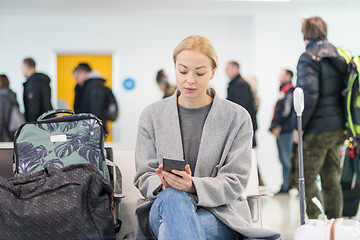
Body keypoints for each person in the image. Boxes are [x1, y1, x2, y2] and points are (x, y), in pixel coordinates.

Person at [133, 35, 280, 240]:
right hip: (164, 208)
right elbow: (144, 175)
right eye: (182, 71)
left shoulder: (237, 118)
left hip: (219, 213)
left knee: (177, 230)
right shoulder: (152, 115)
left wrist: (192, 185)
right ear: (174, 68)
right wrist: (164, 184)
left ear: (212, 72)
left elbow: (235, 181)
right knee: (175, 198)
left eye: (199, 73)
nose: (189, 80)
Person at [295, 16, 347, 219]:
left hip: (317, 129)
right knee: (332, 179)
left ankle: (318, 223)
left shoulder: (308, 57)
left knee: (306, 179)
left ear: (305, 34)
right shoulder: (338, 55)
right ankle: (335, 223)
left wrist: (300, 127)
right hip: (337, 128)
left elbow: (309, 95)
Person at [270, 69, 295, 194]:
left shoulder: (290, 91)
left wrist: (278, 124)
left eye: (282, 74)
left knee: (287, 159)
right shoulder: (282, 90)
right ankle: (285, 185)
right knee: (283, 159)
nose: (279, 76)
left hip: (286, 130)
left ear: (289, 76)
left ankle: (292, 185)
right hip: (281, 130)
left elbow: (286, 110)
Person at [226, 61, 258, 147]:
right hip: (240, 127)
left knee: (248, 155)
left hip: (244, 127)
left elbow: (240, 107)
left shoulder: (241, 85)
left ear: (235, 69)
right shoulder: (235, 84)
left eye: (228, 69)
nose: (225, 71)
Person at [22, 58, 53, 122]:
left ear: (27, 67)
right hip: (48, 120)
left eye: (22, 68)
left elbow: (33, 108)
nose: (21, 71)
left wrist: (30, 124)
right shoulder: (42, 81)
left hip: (38, 124)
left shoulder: (33, 83)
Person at [0, 74, 20, 141]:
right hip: (13, 132)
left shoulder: (1, 97)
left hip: (3, 135)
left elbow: (1, 118)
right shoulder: (12, 95)